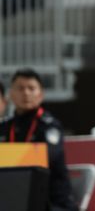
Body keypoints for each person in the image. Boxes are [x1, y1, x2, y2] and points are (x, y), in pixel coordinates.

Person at [0, 69, 77, 210]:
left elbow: (46, 157)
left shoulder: (49, 126)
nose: (26, 93)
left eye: (31, 88)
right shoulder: (4, 127)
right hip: (14, 198)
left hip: (51, 202)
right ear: (10, 94)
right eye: (20, 88)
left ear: (41, 95)